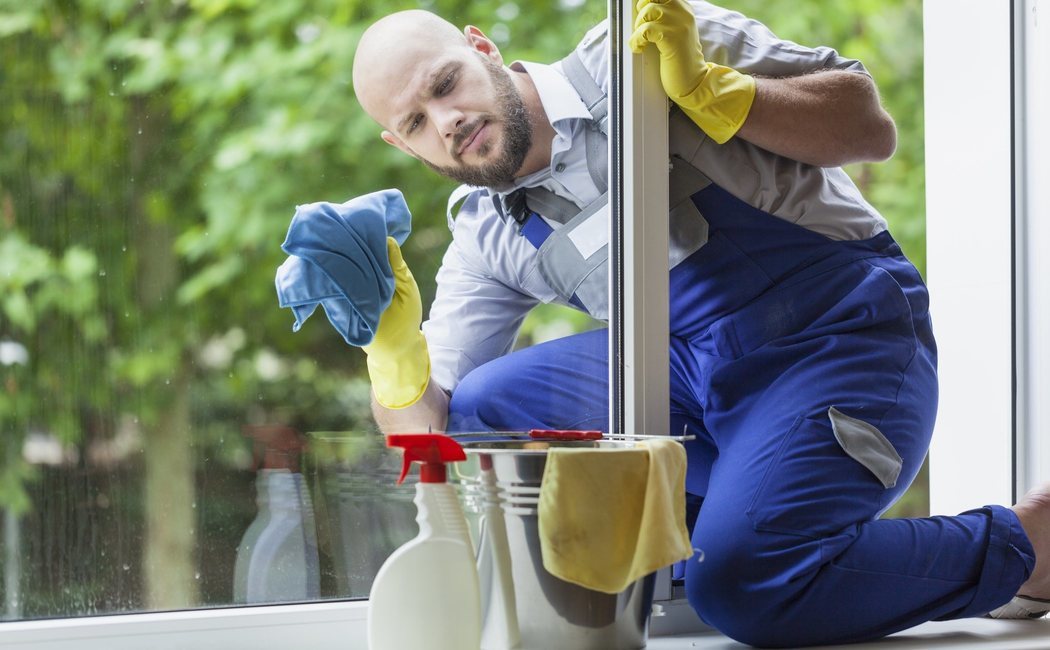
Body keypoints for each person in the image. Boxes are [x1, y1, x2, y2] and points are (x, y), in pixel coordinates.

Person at [348, 0, 1050, 645]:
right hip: (696, 379)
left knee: (746, 587)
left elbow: (869, 128)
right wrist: (388, 342)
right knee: (482, 407)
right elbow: (431, 441)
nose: (446, 121)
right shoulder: (486, 236)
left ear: (483, 49)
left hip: (839, 341)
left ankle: (1026, 546)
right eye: (415, 122)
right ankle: (694, 557)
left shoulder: (639, 50)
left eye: (445, 84)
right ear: (399, 144)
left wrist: (721, 94)